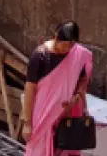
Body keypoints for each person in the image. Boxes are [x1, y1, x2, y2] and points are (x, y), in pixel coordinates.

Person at [22, 21, 95, 156]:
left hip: (67, 113)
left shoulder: (76, 54)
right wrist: (27, 123)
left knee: (63, 149)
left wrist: (77, 96)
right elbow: (29, 90)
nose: (67, 50)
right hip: (44, 114)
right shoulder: (40, 56)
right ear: (56, 38)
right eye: (65, 45)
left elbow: (83, 79)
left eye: (70, 46)